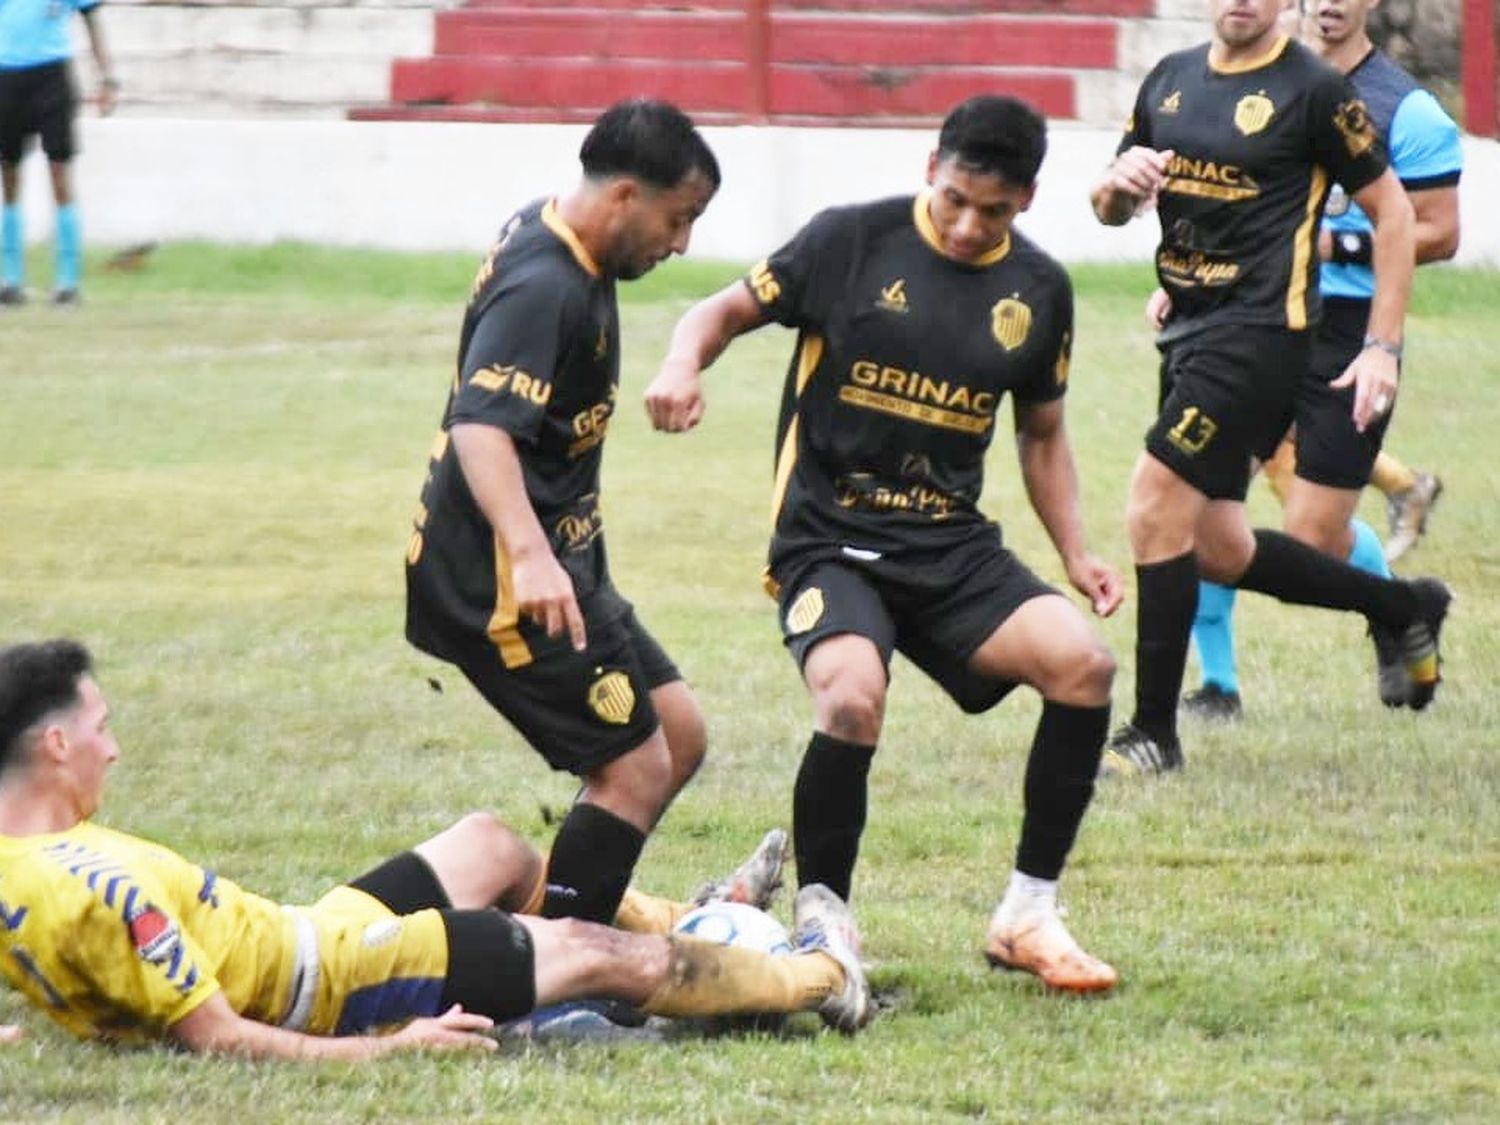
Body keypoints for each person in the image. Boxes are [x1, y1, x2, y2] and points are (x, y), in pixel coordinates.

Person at [646, 96, 1123, 993]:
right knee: (853, 698)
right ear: (930, 167)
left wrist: (1077, 552)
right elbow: (717, 311)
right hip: (830, 539)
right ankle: (827, 922)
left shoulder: (1041, 290)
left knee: (1083, 665)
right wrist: (680, 366)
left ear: (1028, 199)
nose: (970, 225)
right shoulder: (850, 242)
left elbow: (1042, 434)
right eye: (955, 200)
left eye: (996, 212)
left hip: (949, 545)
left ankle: (1028, 913)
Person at [0, 639, 872, 1055]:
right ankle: (825, 975)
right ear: (55, 746)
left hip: (306, 928)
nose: (114, 747)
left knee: (490, 844)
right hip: (334, 982)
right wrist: (393, 1046)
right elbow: (220, 1037)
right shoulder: (103, 887)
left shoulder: (25, 860)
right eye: (102, 729)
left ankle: (706, 914)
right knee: (606, 954)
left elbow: (60, 960)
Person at [1089, 0, 1451, 777]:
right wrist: (1118, 188)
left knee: (1154, 502)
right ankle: (1400, 604)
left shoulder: (1316, 90)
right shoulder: (1170, 80)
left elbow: (1394, 215)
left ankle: (1154, 732)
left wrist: (1382, 344)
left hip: (1263, 340)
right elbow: (1110, 208)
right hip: (1187, 333)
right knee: (1218, 546)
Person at [405, 100, 720, 930]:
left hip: (565, 561)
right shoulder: (547, 285)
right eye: (678, 218)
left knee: (677, 732)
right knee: (636, 768)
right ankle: (562, 976)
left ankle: (577, 909)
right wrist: (530, 552)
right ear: (624, 196)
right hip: (502, 577)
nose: (681, 242)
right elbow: (480, 427)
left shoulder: (561, 241)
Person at [1178, 0, 1463, 722]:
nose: (1330, 2)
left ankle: (1403, 605)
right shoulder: (1259, 85)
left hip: (1350, 330)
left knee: (1309, 539)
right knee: (1196, 503)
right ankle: (1217, 685)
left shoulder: (1409, 111)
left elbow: (1440, 232)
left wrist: (1340, 246)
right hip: (1257, 316)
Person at [0, 0, 117, 306]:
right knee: (9, 175)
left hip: (51, 77)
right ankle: (10, 280)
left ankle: (67, 282)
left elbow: (92, 19)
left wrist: (107, 77)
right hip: (7, 76)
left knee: (59, 172)